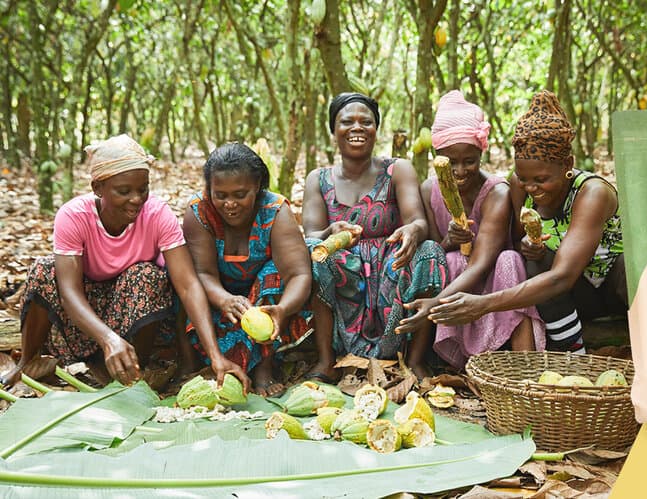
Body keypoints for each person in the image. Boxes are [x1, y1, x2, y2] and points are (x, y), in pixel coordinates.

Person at [0, 134, 250, 392]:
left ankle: (130, 371)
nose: (136, 199)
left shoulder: (156, 214)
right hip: (81, 317)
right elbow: (69, 293)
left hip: (129, 312)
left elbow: (187, 285)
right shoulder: (73, 215)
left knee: (146, 275)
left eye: (143, 189)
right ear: (98, 188)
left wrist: (216, 356)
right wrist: (108, 339)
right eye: (124, 191)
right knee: (43, 269)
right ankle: (27, 363)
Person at [429, 90, 627, 352]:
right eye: (524, 178)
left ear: (568, 163)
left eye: (541, 179)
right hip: (571, 296)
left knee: (628, 268)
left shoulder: (593, 193)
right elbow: (515, 245)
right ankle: (569, 352)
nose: (532, 188)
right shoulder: (517, 184)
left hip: (611, 289)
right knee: (535, 261)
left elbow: (561, 277)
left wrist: (483, 303)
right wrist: (530, 248)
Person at [303, 92, 447, 381]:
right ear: (334, 130)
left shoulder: (397, 169)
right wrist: (331, 231)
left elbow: (418, 221)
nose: (357, 127)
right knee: (312, 250)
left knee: (431, 250)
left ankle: (416, 361)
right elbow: (311, 234)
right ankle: (326, 360)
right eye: (347, 122)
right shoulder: (317, 179)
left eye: (365, 122)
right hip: (346, 278)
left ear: (376, 129)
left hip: (391, 272)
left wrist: (412, 230)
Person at [397, 90, 545, 369]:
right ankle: (460, 365)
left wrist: (436, 304)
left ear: (481, 153)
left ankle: (526, 365)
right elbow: (431, 253)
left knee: (509, 259)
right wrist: (448, 240)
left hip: (492, 282)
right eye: (450, 162)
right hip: (453, 280)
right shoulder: (429, 190)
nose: (461, 171)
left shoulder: (496, 193)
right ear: (437, 156)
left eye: (469, 161)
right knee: (450, 259)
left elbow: (483, 261)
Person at [180, 143, 313, 396]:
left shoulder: (275, 210)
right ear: (209, 190)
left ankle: (265, 366)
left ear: (258, 188)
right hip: (217, 300)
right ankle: (195, 362)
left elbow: (299, 274)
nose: (230, 204)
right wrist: (224, 299)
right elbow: (202, 274)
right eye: (221, 195)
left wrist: (283, 310)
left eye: (240, 194)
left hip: (266, 299)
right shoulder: (199, 211)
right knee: (179, 275)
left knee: (273, 273)